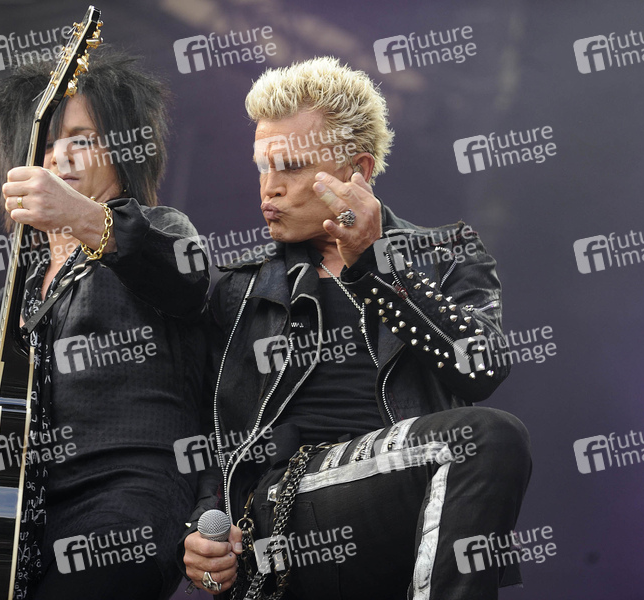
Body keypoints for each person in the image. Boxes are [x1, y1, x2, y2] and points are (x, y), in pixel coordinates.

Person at [180, 57, 531, 600]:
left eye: (290, 167)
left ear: (356, 171)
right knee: (482, 439)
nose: (269, 189)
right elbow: (202, 425)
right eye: (262, 167)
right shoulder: (236, 287)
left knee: (482, 439)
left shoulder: (447, 253)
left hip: (408, 511)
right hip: (284, 512)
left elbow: (481, 367)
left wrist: (374, 265)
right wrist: (205, 525)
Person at [0, 48, 209, 600]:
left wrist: (80, 216)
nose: (61, 157)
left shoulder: (160, 229)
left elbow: (189, 283)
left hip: (127, 504)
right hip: (23, 529)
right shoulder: (5, 302)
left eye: (83, 139)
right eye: (46, 144)